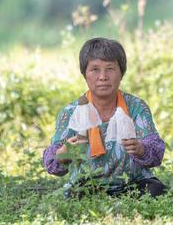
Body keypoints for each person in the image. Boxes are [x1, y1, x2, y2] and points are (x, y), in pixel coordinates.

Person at [42, 37, 166, 197]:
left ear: (121, 73)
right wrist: (64, 154)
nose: (103, 77)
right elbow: (52, 164)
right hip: (88, 186)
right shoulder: (71, 112)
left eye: (110, 69)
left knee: (155, 189)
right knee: (75, 194)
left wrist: (141, 149)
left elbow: (156, 152)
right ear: (84, 74)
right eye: (95, 69)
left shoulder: (136, 107)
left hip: (133, 184)